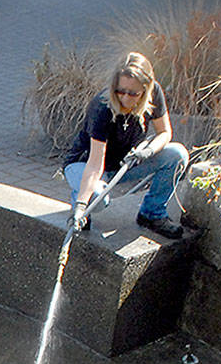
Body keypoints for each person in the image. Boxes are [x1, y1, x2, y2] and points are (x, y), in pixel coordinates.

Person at [62, 52, 189, 239]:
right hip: (85, 165)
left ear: (145, 90)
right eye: (121, 91)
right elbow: (95, 163)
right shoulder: (102, 107)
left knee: (177, 154)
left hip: (127, 163)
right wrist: (82, 205)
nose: (126, 98)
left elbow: (164, 132)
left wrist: (148, 151)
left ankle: (152, 214)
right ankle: (80, 206)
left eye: (133, 93)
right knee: (98, 198)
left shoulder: (155, 93)